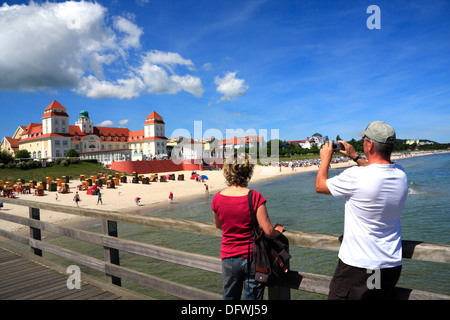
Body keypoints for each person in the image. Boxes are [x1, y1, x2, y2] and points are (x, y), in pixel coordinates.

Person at [315, 121, 408, 300]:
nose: (363, 142)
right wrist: (355, 156)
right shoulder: (400, 174)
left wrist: (325, 159)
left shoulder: (356, 176)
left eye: (364, 139)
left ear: (370, 144)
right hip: (389, 265)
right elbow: (377, 170)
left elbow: (320, 186)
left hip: (358, 268)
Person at [212, 153, 284, 300]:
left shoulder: (217, 198)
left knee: (230, 298)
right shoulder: (255, 197)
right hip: (252, 256)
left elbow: (218, 225)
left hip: (228, 256)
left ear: (227, 171)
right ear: (248, 171)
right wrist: (278, 231)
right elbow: (268, 230)